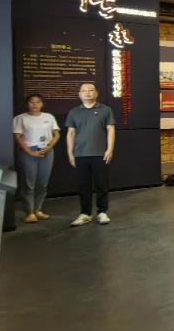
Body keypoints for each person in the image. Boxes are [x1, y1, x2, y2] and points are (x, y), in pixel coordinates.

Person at [66, 83, 116, 227]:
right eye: (84, 90)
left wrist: (110, 149)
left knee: (102, 184)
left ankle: (102, 212)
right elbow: (71, 133)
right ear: (79, 94)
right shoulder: (74, 112)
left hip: (100, 153)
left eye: (91, 90)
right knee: (83, 186)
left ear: (96, 93)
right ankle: (85, 214)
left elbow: (111, 130)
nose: (87, 92)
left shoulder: (106, 110)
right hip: (80, 154)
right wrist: (70, 153)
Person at [13, 94, 60, 223]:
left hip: (47, 151)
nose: (35, 104)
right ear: (27, 104)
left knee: (43, 183)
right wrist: (30, 152)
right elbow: (18, 137)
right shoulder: (20, 118)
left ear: (42, 104)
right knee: (29, 183)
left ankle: (38, 209)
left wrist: (49, 147)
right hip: (28, 151)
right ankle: (29, 212)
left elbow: (56, 134)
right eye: (32, 102)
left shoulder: (49, 117)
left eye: (38, 102)